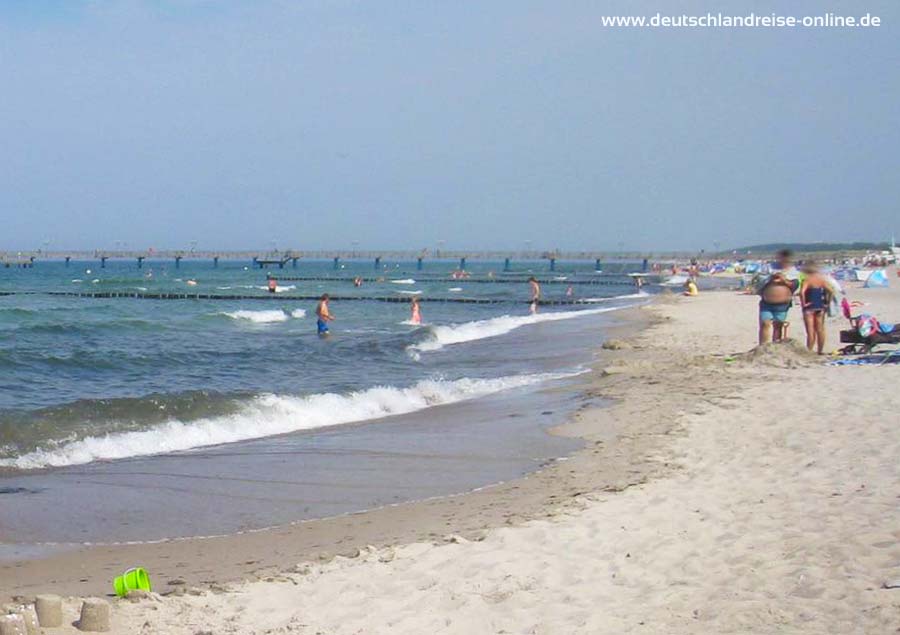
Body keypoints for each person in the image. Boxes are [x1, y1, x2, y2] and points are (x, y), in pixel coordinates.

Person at [757, 249, 799, 344]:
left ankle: (776, 344)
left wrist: (784, 280)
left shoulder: (793, 271)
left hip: (782, 304)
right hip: (767, 302)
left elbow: (795, 285)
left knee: (778, 325)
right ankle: (763, 346)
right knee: (765, 323)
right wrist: (771, 278)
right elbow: (760, 281)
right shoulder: (770, 268)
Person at [799, 261, 833, 354]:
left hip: (809, 307)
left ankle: (809, 350)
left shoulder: (807, 279)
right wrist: (827, 302)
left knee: (810, 331)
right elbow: (831, 290)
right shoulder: (821, 279)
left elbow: (802, 292)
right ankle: (820, 350)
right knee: (820, 329)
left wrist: (803, 303)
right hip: (820, 306)